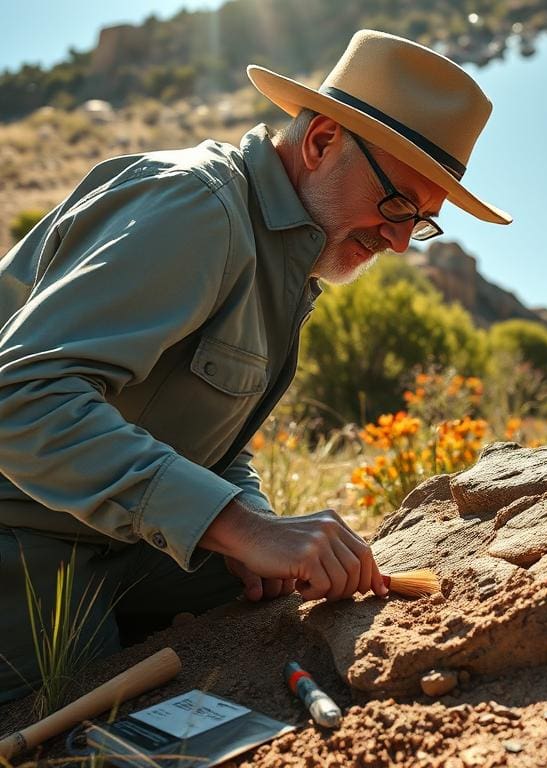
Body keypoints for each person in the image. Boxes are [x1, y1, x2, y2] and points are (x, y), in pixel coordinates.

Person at [0, 29, 510, 703]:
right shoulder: (197, 209)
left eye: (419, 221)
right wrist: (245, 531)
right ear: (323, 140)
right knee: (88, 719)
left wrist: (249, 523)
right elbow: (21, 400)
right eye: (396, 203)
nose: (399, 242)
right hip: (20, 535)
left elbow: (205, 436)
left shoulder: (288, 257)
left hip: (111, 536)